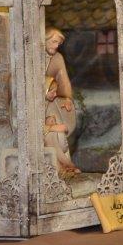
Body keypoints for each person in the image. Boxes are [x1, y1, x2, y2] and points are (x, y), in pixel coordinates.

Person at [44, 26, 79, 174]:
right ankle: (64, 165)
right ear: (44, 40)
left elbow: (63, 80)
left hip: (50, 99)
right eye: (53, 42)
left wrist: (67, 98)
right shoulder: (32, 56)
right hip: (37, 100)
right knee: (52, 131)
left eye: (58, 43)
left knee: (56, 130)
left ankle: (64, 164)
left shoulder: (57, 58)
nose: (56, 46)